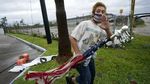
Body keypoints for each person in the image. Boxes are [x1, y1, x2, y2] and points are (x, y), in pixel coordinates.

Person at [67, 2, 112, 84]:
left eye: (103, 12)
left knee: (92, 77)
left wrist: (107, 29)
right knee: (87, 80)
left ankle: (72, 80)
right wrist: (78, 54)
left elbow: (110, 39)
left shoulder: (101, 28)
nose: (100, 13)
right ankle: (73, 80)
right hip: (80, 58)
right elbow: (72, 37)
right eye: (98, 11)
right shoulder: (85, 24)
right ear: (93, 12)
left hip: (90, 57)